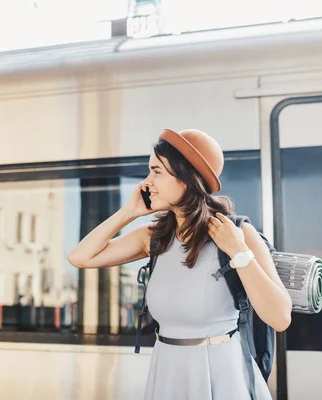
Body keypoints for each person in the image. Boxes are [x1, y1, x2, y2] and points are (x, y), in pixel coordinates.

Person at [68, 128, 292, 400]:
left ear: (187, 178)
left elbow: (280, 317)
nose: (148, 182)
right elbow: (80, 257)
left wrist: (238, 252)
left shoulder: (237, 233)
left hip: (222, 377)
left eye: (157, 172)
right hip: (167, 372)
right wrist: (129, 212)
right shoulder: (153, 236)